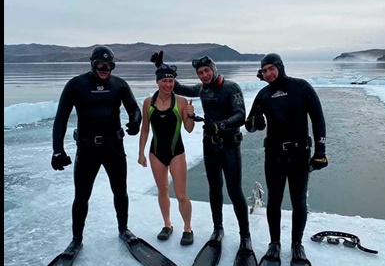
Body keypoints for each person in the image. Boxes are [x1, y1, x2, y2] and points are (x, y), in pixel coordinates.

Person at [51, 45, 142, 251]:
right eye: (100, 64)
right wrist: (58, 150)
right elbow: (61, 119)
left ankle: (123, 229)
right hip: (87, 149)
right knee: (81, 196)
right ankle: (76, 239)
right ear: (92, 63)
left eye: (109, 65)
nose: (105, 68)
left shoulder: (119, 85)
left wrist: (135, 121)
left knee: (120, 191)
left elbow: (134, 109)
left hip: (113, 147)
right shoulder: (76, 85)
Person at [244, 53, 328, 262]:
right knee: (274, 201)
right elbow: (250, 125)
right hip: (274, 155)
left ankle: (297, 244)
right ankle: (274, 244)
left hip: (300, 154)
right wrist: (256, 121)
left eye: (271, 68)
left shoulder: (302, 87)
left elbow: (318, 119)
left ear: (280, 67)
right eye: (264, 70)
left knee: (299, 201)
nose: (268, 73)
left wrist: (320, 152)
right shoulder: (263, 94)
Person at [169, 54, 251, 250]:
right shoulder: (202, 90)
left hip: (230, 145)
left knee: (234, 190)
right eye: (200, 73)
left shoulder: (231, 88)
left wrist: (219, 125)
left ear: (214, 69)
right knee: (214, 189)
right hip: (210, 145)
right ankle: (218, 229)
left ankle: (245, 236)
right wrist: (163, 69)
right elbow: (178, 88)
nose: (204, 75)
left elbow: (240, 116)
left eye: (207, 70)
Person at [137, 56, 196, 245]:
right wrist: (141, 152)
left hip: (176, 152)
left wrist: (191, 115)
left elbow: (188, 129)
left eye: (171, 81)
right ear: (157, 82)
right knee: (162, 190)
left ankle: (187, 228)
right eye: (164, 81)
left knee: (181, 194)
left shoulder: (181, 101)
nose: (168, 85)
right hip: (156, 153)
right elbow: (145, 128)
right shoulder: (148, 102)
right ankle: (167, 224)